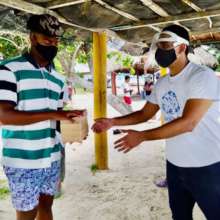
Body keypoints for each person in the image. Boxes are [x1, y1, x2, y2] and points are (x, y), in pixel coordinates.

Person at [92, 24, 220, 219]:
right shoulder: (162, 83)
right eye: (159, 46)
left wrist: (142, 136)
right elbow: (144, 114)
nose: (161, 51)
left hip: (206, 165)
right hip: (175, 166)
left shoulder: (202, 76)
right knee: (180, 215)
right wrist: (112, 122)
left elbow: (188, 123)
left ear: (182, 47)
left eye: (167, 45)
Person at [0, 14, 85, 220]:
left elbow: (56, 120)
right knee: (28, 213)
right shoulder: (9, 69)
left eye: (56, 40)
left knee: (47, 206)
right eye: (47, 39)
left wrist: (73, 127)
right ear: (32, 37)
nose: (52, 44)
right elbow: (4, 116)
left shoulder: (57, 78)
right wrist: (54, 114)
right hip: (23, 159)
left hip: (52, 156)